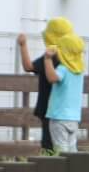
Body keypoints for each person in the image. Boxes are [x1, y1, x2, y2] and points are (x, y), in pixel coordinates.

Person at [25, 23, 85, 153]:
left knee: (59, 150)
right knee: (71, 149)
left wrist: (47, 59)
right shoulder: (79, 71)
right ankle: (73, 170)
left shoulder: (63, 68)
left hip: (58, 116)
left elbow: (52, 78)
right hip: (74, 118)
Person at [16, 20, 71, 152]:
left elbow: (28, 66)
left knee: (49, 145)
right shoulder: (71, 58)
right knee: (65, 145)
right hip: (67, 110)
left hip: (49, 108)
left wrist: (23, 45)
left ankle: (50, 167)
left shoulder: (50, 56)